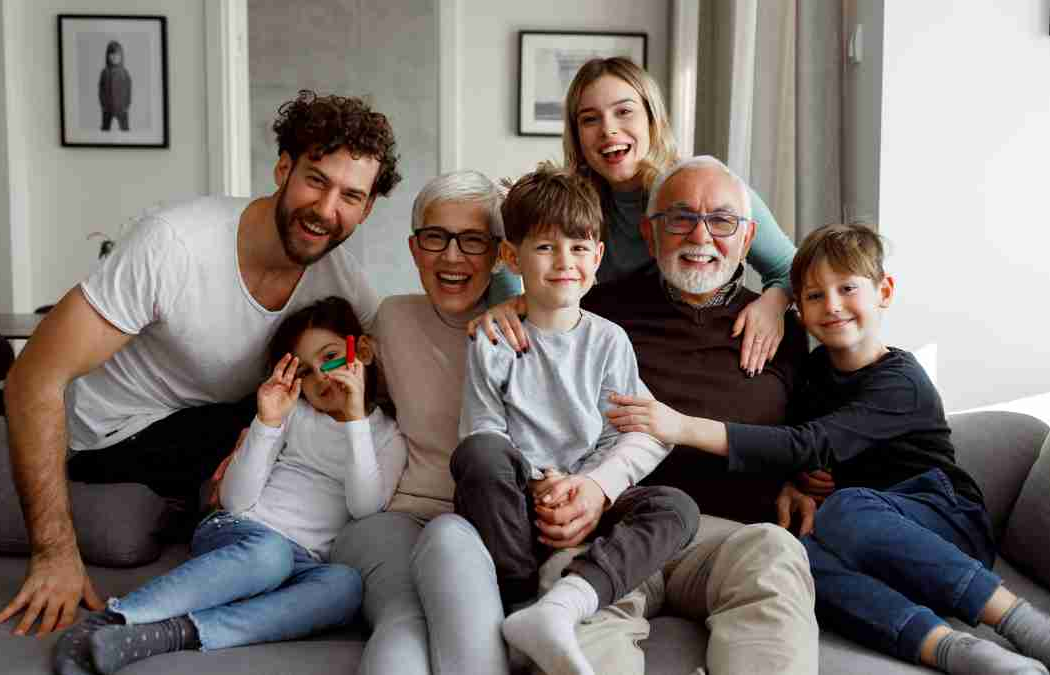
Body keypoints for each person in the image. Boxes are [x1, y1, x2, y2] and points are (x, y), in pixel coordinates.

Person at [611, 223, 1050, 675]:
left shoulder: (900, 382)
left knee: (848, 507)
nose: (832, 305)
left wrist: (680, 425)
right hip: (855, 541)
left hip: (942, 522)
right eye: (814, 295)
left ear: (885, 291)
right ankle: (950, 650)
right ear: (799, 308)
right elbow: (796, 446)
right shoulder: (812, 374)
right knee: (794, 556)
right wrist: (793, 481)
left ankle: (1031, 628)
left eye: (847, 288)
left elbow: (810, 441)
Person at [0, 90, 401, 637]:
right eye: (316, 180)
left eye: (351, 196)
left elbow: (395, 374)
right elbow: (33, 377)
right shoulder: (175, 243)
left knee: (301, 409)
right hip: (109, 437)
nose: (328, 210)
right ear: (283, 168)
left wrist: (506, 315)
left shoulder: (341, 279)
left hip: (204, 434)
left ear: (368, 207)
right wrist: (54, 555)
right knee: (266, 414)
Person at [546, 155, 818, 674]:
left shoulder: (786, 329)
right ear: (650, 235)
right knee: (569, 608)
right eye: (681, 218)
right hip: (615, 529)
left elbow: (815, 430)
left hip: (731, 538)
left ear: (747, 237)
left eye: (721, 220)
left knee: (777, 555)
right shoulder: (592, 312)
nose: (701, 235)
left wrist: (802, 479)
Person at [54, 296, 406, 675]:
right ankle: (113, 618)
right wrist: (267, 423)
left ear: (363, 351)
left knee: (347, 586)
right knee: (270, 554)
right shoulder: (294, 415)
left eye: (333, 357)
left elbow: (365, 509)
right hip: (241, 532)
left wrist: (355, 420)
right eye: (303, 371)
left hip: (302, 562)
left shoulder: (388, 438)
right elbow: (236, 500)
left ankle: (177, 633)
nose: (321, 376)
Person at [450, 164, 699, 675]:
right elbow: (483, 428)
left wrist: (582, 484)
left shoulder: (609, 341)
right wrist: (541, 483)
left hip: (587, 498)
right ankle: (520, 606)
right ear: (511, 256)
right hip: (518, 504)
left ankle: (566, 602)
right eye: (544, 247)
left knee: (677, 507)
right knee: (479, 454)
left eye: (579, 247)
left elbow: (623, 433)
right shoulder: (493, 339)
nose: (564, 261)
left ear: (598, 257)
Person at [477, 57, 796, 376]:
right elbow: (511, 248)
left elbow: (791, 267)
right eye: (590, 119)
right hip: (625, 351)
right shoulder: (576, 203)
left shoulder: (704, 188)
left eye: (624, 111)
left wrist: (774, 304)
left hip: (709, 346)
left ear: (652, 119)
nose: (608, 129)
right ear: (577, 135)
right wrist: (513, 302)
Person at [324, 170, 513, 675]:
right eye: (436, 238)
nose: (452, 257)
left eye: (473, 240)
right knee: (405, 618)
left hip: (482, 527)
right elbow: (330, 377)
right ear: (414, 248)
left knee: (453, 552)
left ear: (499, 253)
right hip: (396, 517)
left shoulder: (522, 329)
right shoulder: (391, 318)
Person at [99, 41, 131, 132]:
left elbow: (128, 90)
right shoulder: (104, 72)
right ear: (107, 56)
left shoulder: (124, 73)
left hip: (121, 108)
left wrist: (126, 105)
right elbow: (101, 90)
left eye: (117, 55)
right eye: (112, 55)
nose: (114, 57)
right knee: (105, 128)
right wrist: (103, 104)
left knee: (125, 129)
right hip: (107, 108)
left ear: (121, 56)